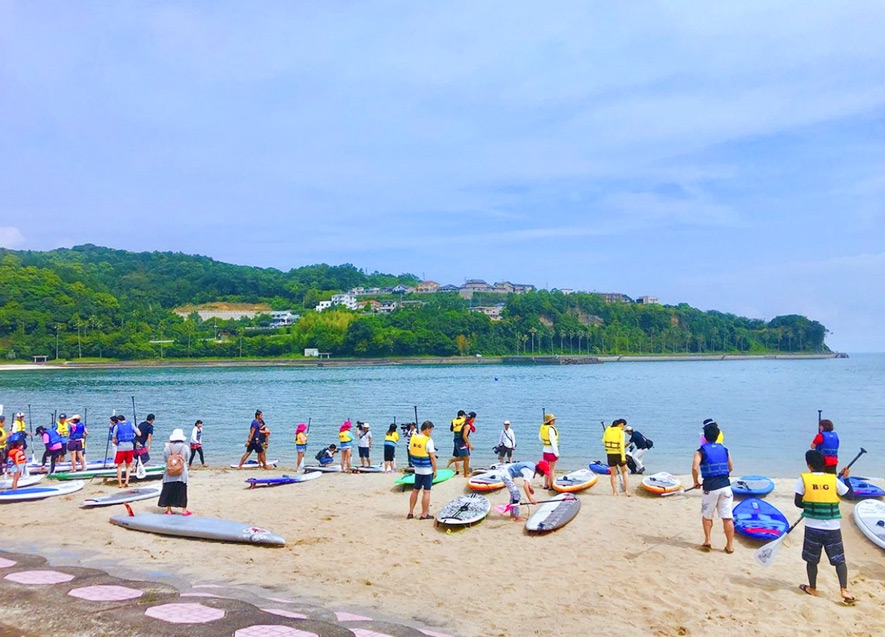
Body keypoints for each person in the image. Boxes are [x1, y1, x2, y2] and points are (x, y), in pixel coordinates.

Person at [794, 450, 855, 603]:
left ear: (809, 465)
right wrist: (846, 479)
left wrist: (812, 503)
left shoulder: (803, 479)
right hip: (832, 527)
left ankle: (812, 588)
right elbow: (850, 496)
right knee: (839, 560)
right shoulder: (833, 479)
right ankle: (844, 590)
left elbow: (798, 503)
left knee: (812, 560)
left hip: (812, 527)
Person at [691, 421, 735, 553]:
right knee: (727, 517)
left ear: (704, 437)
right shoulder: (725, 450)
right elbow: (730, 467)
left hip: (710, 487)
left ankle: (708, 540)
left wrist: (696, 481)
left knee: (707, 515)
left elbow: (695, 468)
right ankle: (730, 546)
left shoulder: (700, 451)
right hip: (726, 486)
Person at [407, 420, 437, 520]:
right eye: (431, 430)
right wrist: (435, 470)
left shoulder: (413, 437)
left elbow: (410, 450)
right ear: (427, 429)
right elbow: (432, 457)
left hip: (417, 469)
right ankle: (424, 514)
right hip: (427, 470)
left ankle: (410, 512)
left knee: (415, 490)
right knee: (426, 492)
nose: (431, 432)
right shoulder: (428, 440)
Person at [158, 428, 191, 516]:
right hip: (181, 472)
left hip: (169, 472)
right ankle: (184, 510)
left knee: (168, 490)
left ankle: (169, 509)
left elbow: (165, 459)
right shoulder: (185, 447)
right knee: (182, 490)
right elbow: (187, 458)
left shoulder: (167, 447)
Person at [603, 418, 630, 496]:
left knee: (613, 474)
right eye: (624, 426)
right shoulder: (621, 432)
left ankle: (614, 492)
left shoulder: (607, 431)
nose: (624, 428)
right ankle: (626, 491)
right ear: (621, 424)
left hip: (610, 454)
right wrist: (623, 457)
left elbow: (603, 440)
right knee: (625, 472)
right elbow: (621, 446)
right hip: (619, 454)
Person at [112, 415, 140, 488]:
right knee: (128, 465)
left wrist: (117, 444)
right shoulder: (131, 424)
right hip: (130, 447)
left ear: (119, 420)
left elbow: (113, 439)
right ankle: (127, 481)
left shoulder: (117, 426)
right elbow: (139, 433)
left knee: (119, 466)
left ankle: (120, 483)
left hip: (121, 447)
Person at [539, 413, 559, 489]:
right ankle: (550, 485)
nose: (554, 421)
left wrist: (545, 442)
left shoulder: (543, 428)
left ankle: (545, 484)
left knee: (546, 469)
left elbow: (540, 438)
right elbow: (553, 442)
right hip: (551, 452)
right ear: (550, 421)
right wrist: (556, 454)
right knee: (551, 469)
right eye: (553, 420)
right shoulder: (551, 429)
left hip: (545, 450)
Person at [446, 410, 468, 475]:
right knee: (466, 456)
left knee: (457, 455)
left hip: (455, 439)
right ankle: (465, 471)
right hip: (462, 440)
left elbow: (451, 429)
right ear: (463, 415)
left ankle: (457, 470)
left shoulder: (454, 420)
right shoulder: (464, 420)